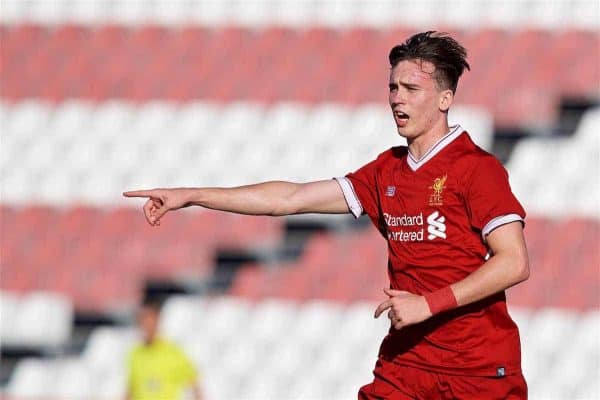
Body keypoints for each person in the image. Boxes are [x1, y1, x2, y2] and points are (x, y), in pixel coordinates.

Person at [124, 31, 529, 399]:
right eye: (392, 87)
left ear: (444, 99)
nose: (396, 98)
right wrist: (191, 195)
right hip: (407, 364)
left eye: (410, 88)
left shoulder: (477, 168)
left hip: (477, 370)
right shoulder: (385, 172)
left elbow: (514, 262)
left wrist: (429, 303)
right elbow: (290, 199)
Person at [125, 298, 203, 400]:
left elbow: (194, 383)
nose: (146, 325)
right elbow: (131, 389)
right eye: (143, 320)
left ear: (157, 320)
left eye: (149, 319)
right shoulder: (135, 354)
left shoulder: (172, 351)